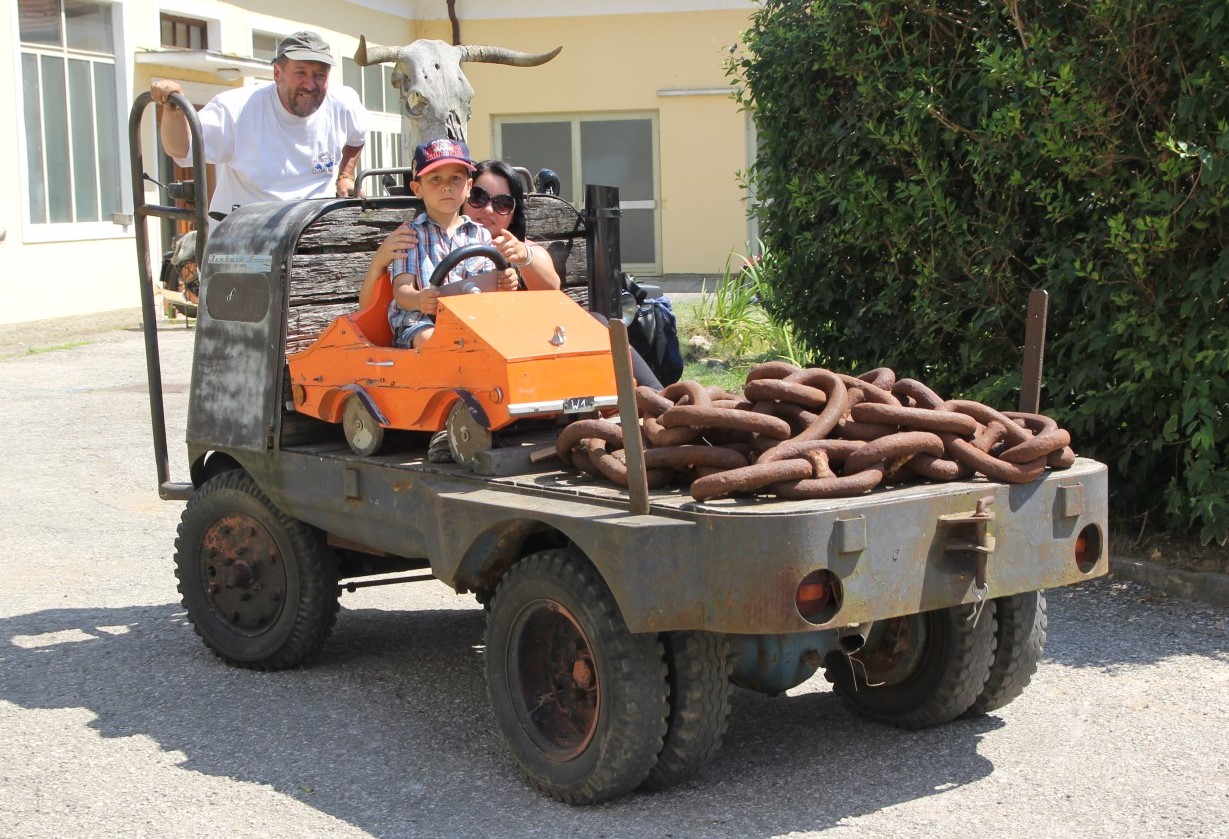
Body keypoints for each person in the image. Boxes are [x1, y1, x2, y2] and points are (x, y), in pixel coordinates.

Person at [359, 157, 665, 388]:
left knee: (597, 323)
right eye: (480, 198)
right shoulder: (421, 239)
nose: (489, 210)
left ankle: (655, 396)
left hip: (519, 339)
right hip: (469, 343)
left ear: (513, 211)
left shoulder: (510, 245)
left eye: (502, 203)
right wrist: (378, 263)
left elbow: (550, 284)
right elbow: (377, 305)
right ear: (466, 196)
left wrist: (524, 256)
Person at [149, 31, 368, 224]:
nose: (310, 85)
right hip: (243, 238)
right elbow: (182, 149)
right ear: (277, 73)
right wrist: (173, 109)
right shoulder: (236, 108)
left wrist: (346, 175)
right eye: (300, 72)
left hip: (311, 235)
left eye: (319, 75)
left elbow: (357, 137)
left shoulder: (343, 103)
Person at [387, 139, 518, 349]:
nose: (446, 187)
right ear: (417, 188)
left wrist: (506, 282)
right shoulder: (410, 236)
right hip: (420, 321)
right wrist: (419, 299)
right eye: (435, 179)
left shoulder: (480, 235)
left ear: (468, 187)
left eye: (455, 178)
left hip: (472, 320)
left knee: (510, 337)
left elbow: (491, 285)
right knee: (437, 341)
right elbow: (401, 291)